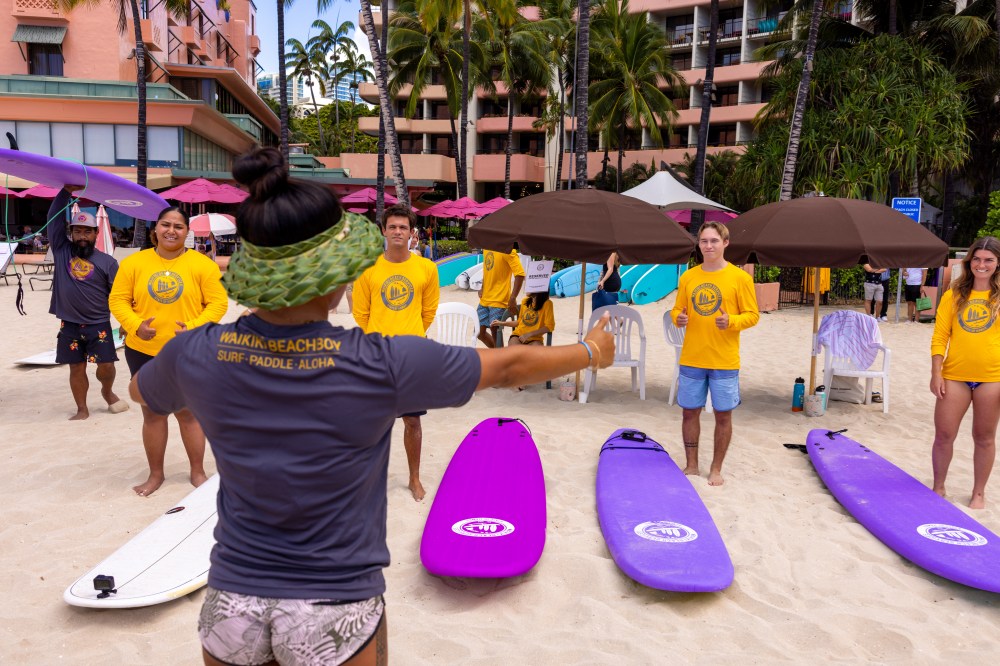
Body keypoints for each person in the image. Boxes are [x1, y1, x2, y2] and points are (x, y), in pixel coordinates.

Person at [125, 147, 614, 666]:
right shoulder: (380, 363)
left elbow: (142, 394)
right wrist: (590, 351)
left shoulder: (196, 353)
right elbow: (509, 367)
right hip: (334, 600)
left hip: (231, 601)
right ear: (337, 280)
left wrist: (180, 370)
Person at [109, 206, 228, 497]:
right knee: (152, 414)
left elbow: (218, 303)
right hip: (143, 350)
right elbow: (118, 300)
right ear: (155, 230)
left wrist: (194, 325)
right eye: (165, 224)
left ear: (187, 233)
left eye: (178, 226)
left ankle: (198, 472)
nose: (171, 230)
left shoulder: (202, 265)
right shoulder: (134, 263)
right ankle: (155, 475)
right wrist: (136, 326)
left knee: (188, 414)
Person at [353, 204, 440, 501]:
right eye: (393, 227)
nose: (398, 231)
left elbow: (428, 312)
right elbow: (360, 313)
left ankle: (414, 478)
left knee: (412, 421)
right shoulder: (369, 268)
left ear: (412, 233)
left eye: (403, 227)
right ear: (383, 231)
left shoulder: (426, 269)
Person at [670, 221, 759, 486]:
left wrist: (730, 321)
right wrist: (679, 319)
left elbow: (752, 316)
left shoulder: (740, 278)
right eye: (704, 241)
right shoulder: (688, 277)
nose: (708, 246)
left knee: (723, 415)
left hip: (724, 359)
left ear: (725, 243)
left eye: (714, 241)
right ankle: (691, 465)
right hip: (692, 357)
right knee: (689, 412)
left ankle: (716, 468)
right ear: (699, 244)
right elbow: (677, 310)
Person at [929, 237, 1000, 510]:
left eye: (989, 260)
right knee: (944, 435)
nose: (982, 265)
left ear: (997, 264)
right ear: (969, 261)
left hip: (992, 378)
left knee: (984, 437)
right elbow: (940, 337)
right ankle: (938, 486)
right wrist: (937, 373)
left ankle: (978, 493)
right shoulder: (954, 295)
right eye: (977, 259)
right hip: (954, 376)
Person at [47, 186, 128, 420]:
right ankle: (82, 409)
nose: (82, 236)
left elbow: (120, 295)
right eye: (77, 231)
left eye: (87, 231)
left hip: (99, 324)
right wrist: (65, 192)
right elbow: (52, 220)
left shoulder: (108, 262)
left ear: (96, 233)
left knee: (106, 366)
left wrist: (126, 321)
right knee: (76, 367)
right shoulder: (62, 251)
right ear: (71, 233)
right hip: (70, 325)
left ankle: (107, 390)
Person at [477, 248, 525, 347]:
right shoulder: (486, 248)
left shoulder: (508, 250)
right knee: (479, 333)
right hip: (484, 299)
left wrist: (513, 297)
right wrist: (482, 287)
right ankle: (498, 355)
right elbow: (488, 270)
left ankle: (499, 357)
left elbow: (520, 274)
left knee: (495, 333)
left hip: (499, 299)